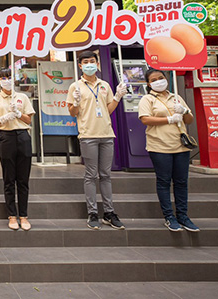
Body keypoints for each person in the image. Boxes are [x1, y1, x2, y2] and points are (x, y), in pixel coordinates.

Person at [68, 51, 127, 230]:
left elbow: (108, 109)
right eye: (85, 62)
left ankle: (109, 212)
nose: (89, 64)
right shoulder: (75, 87)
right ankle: (92, 212)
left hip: (107, 134)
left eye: (92, 61)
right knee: (91, 175)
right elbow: (72, 112)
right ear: (80, 66)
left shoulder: (104, 85)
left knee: (106, 175)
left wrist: (117, 97)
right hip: (88, 135)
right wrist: (76, 103)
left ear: (97, 63)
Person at [138, 68, 199, 233]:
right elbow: (145, 119)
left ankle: (183, 216)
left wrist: (184, 111)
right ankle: (169, 217)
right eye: (154, 79)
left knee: (181, 182)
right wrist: (169, 119)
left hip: (180, 145)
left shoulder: (176, 97)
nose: (158, 81)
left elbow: (190, 119)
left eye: (161, 77)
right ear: (148, 84)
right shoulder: (147, 99)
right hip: (159, 146)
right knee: (164, 181)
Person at [0, 68, 35, 231]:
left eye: (9, 77)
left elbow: (28, 120)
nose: (6, 80)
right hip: (6, 137)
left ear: (14, 78)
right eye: (3, 78)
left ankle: (24, 216)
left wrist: (18, 113)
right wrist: (4, 118)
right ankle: (12, 215)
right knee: (8, 178)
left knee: (23, 179)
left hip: (23, 136)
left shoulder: (22, 97)